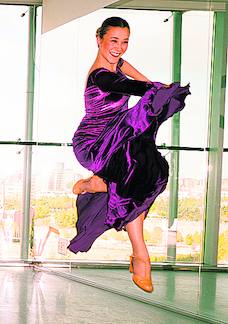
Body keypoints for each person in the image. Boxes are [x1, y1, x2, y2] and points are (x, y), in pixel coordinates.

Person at [69, 16, 190, 293]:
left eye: (125, 42)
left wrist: (155, 85)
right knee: (138, 174)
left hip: (119, 135)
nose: (119, 47)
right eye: (113, 41)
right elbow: (134, 88)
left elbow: (135, 75)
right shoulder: (101, 75)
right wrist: (158, 89)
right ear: (98, 39)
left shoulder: (117, 63)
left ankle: (95, 184)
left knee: (152, 171)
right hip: (96, 142)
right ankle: (141, 257)